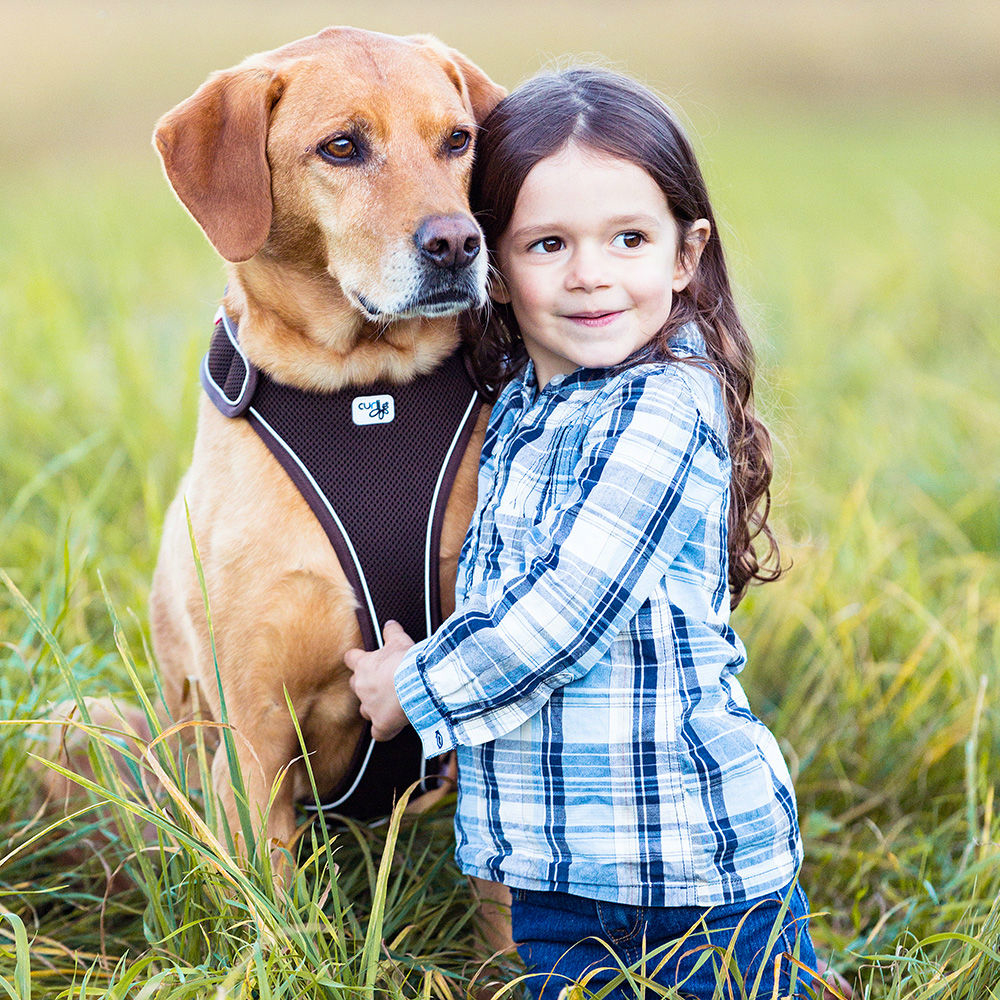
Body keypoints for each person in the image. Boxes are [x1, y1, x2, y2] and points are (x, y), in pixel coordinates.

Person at [345, 67, 819, 999]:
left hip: (690, 882)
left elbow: (566, 610)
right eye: (549, 243)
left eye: (629, 239)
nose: (591, 274)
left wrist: (416, 685)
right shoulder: (524, 405)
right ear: (493, 264)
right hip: (553, 883)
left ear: (686, 256)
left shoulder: (666, 407)